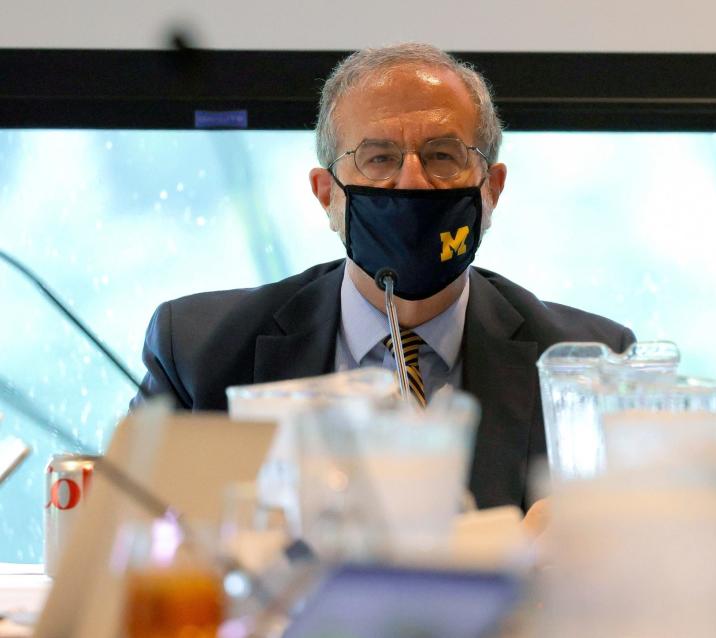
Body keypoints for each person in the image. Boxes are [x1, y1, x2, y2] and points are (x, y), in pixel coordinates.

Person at [134, 43, 635, 510]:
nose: (412, 181)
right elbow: (129, 553)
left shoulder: (590, 368)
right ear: (326, 194)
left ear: (492, 189)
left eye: (442, 155)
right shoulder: (201, 354)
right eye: (378, 159)